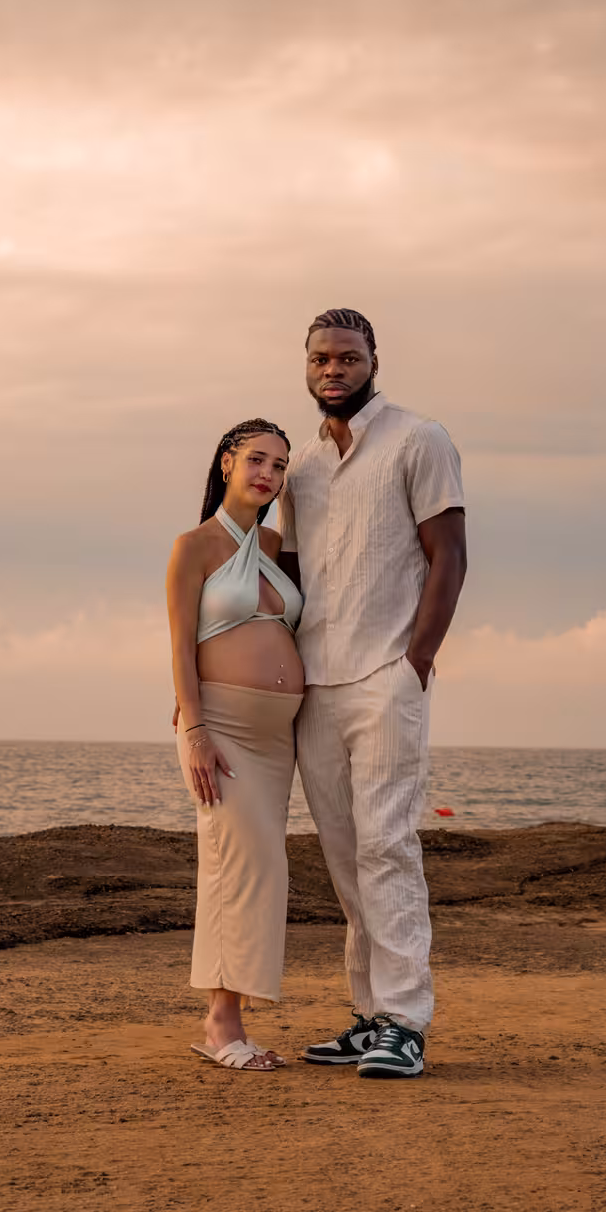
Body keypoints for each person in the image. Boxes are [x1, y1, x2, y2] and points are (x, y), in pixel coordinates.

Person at [277, 308, 468, 1080]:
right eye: (321, 358)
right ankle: (369, 1015)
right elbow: (289, 576)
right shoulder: (301, 471)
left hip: (387, 676)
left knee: (388, 846)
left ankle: (407, 1023)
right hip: (316, 684)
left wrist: (415, 662)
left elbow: (449, 557)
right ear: (307, 366)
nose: (333, 369)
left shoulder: (420, 440)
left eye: (348, 357)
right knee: (344, 856)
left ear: (374, 361)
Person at [165, 418, 304, 1071]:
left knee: (262, 873)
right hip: (222, 730)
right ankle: (222, 1024)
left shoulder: (277, 545)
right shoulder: (193, 547)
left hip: (277, 742)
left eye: (278, 467)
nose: (267, 475)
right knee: (242, 870)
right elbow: (180, 647)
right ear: (225, 463)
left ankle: (228, 1016)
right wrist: (193, 729)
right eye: (256, 459)